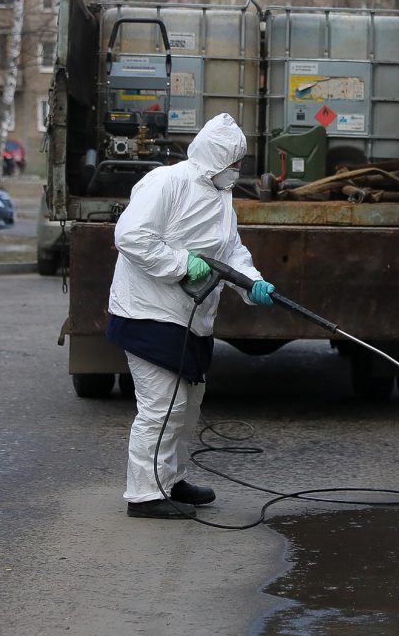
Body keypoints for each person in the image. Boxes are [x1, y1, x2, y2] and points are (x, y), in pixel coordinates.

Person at [106, 113, 275, 519]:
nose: (236, 170)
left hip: (190, 318)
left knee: (188, 405)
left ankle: (173, 479)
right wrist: (182, 264)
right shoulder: (167, 182)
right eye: (232, 162)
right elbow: (130, 236)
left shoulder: (221, 197)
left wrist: (252, 282)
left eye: (239, 163)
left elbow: (231, 252)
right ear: (214, 157)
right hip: (147, 312)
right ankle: (145, 495)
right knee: (162, 408)